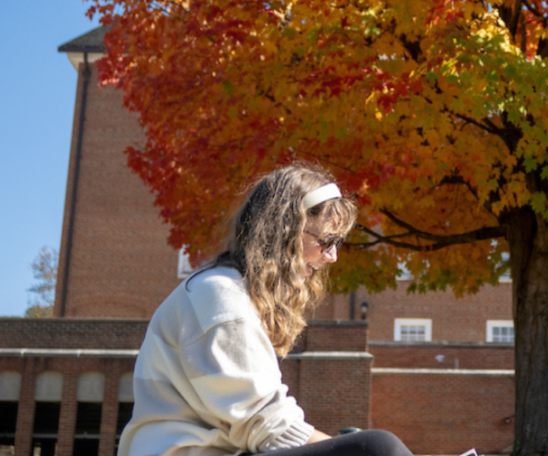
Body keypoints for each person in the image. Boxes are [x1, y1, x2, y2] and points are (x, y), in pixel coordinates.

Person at [118, 163, 413, 456]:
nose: (332, 256)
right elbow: (267, 425)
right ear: (285, 231)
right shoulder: (221, 297)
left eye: (338, 243)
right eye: (326, 241)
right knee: (377, 449)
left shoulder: (226, 292)